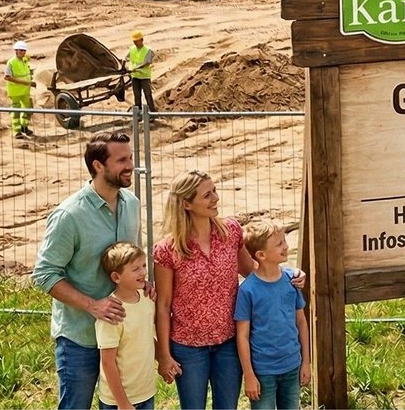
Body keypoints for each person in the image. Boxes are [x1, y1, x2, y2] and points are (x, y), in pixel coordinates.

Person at [155, 171, 302, 410]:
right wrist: (163, 354)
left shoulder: (230, 232)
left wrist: (289, 275)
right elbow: (163, 304)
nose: (216, 198)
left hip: (228, 342)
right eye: (207, 195)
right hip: (188, 346)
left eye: (214, 191)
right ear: (186, 204)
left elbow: (253, 271)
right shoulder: (167, 250)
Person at [32, 131, 143, 410]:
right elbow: (44, 274)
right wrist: (93, 305)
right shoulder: (69, 215)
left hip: (122, 335)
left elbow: (131, 257)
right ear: (98, 166)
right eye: (122, 160)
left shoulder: (132, 204)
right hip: (80, 337)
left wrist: (144, 281)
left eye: (130, 157)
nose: (130, 165)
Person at [235, 220, 310, 410]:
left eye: (284, 241)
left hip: (293, 366)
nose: (286, 246)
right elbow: (242, 336)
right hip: (263, 372)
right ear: (261, 255)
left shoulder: (291, 282)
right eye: (279, 244)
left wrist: (306, 362)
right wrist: (249, 375)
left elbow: (301, 321)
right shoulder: (247, 291)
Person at [97, 242, 156, 410]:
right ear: (116, 277)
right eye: (135, 269)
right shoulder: (112, 313)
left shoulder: (146, 299)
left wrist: (165, 360)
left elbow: (146, 338)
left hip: (146, 392)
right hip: (119, 402)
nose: (143, 272)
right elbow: (108, 363)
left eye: (144, 266)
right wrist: (123, 404)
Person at [6, 37, 34, 139]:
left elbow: (28, 58)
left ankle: (24, 127)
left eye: (24, 50)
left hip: (25, 91)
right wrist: (26, 82)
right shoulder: (11, 63)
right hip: (15, 92)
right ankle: (16, 131)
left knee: (29, 109)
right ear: (16, 51)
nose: (22, 52)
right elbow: (7, 77)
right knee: (16, 111)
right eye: (20, 50)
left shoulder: (25, 60)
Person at [126, 32, 155, 113]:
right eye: (134, 41)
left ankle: (153, 113)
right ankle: (138, 113)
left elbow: (147, 62)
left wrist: (136, 67)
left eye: (136, 41)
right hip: (135, 76)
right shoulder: (132, 49)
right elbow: (126, 58)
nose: (134, 43)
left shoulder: (147, 50)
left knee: (148, 95)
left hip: (144, 77)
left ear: (141, 40)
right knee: (137, 96)